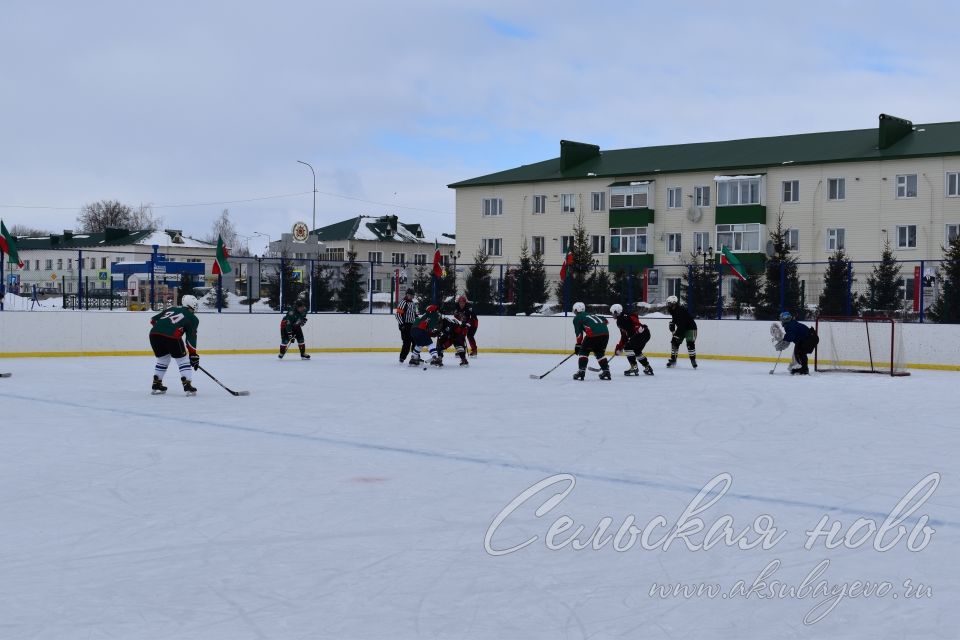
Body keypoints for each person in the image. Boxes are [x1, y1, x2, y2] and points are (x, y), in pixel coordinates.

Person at [149, 294, 200, 395]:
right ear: (192, 305)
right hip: (171, 337)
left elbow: (153, 320)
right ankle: (187, 384)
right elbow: (191, 338)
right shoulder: (193, 318)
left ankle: (156, 383)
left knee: (163, 359)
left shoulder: (172, 309)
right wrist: (193, 354)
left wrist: (164, 329)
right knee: (183, 359)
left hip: (154, 334)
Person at [610, 303, 654, 376]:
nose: (612, 315)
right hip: (642, 335)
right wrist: (619, 347)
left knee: (628, 348)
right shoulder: (619, 322)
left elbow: (635, 318)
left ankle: (634, 367)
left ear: (616, 312)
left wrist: (638, 327)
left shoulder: (627, 316)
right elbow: (624, 336)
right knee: (637, 351)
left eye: (612, 313)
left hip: (642, 333)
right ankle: (647, 367)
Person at [572, 301, 611, 380]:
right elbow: (606, 321)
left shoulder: (577, 318)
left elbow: (579, 334)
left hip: (593, 335)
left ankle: (581, 372)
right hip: (605, 334)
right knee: (599, 352)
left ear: (576, 310)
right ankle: (606, 371)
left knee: (583, 351)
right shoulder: (592, 314)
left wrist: (578, 345)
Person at [665, 295, 698, 368]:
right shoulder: (673, 311)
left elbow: (683, 324)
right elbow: (676, 321)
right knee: (674, 342)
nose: (668, 305)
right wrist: (672, 327)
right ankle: (673, 359)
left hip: (690, 328)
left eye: (669, 303)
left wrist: (676, 334)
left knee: (690, 343)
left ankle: (693, 360)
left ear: (674, 303)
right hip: (682, 328)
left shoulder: (680, 310)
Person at [395, 288, 417, 363]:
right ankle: (402, 358)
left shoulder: (413, 304)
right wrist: (402, 325)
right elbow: (398, 315)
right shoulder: (403, 302)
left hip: (413, 325)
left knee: (415, 341)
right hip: (405, 325)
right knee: (407, 343)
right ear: (406, 295)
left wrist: (418, 321)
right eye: (409, 295)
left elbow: (415, 314)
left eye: (412, 295)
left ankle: (415, 357)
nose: (411, 297)